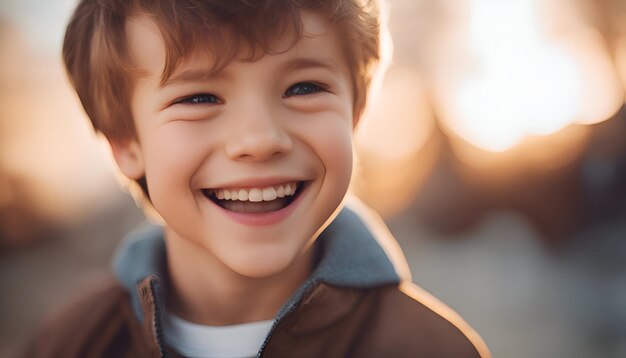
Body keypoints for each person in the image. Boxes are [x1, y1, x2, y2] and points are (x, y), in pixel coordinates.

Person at [28, 0, 490, 357]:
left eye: (304, 88)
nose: (260, 140)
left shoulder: (428, 347)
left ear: (356, 113)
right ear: (126, 144)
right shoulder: (72, 342)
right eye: (200, 97)